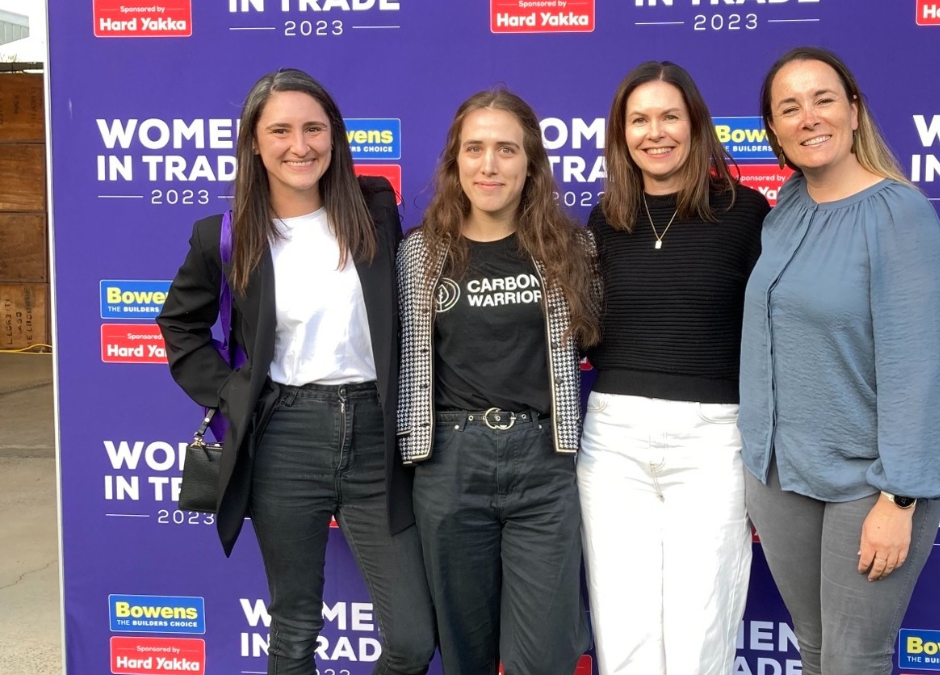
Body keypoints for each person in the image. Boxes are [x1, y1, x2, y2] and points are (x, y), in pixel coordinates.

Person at [157, 68, 435, 675]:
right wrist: (235, 393)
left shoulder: (375, 212)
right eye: (279, 130)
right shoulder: (224, 237)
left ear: (334, 136)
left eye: (313, 128)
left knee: (413, 639)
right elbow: (179, 328)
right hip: (284, 438)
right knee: (294, 630)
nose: (299, 145)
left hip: (376, 435)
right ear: (254, 143)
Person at [740, 47, 940, 675]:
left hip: (872, 483)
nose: (809, 117)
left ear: (854, 111)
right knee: (815, 649)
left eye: (824, 99)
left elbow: (917, 367)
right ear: (774, 130)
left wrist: (901, 496)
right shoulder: (788, 209)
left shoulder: (898, 213)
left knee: (853, 660)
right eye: (790, 107)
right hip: (781, 477)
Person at [395, 88, 598, 675]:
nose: (490, 165)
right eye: (475, 148)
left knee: (546, 656)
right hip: (449, 464)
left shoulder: (571, 249)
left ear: (530, 163)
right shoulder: (420, 255)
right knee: (467, 656)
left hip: (544, 463)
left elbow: (602, 339)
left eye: (506, 149)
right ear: (454, 161)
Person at [578, 61, 770, 675]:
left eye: (669, 117)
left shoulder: (745, 212)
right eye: (639, 119)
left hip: (713, 439)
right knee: (622, 633)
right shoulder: (604, 219)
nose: (654, 132)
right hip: (612, 439)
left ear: (696, 126)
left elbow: (775, 331)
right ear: (621, 132)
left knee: (701, 632)